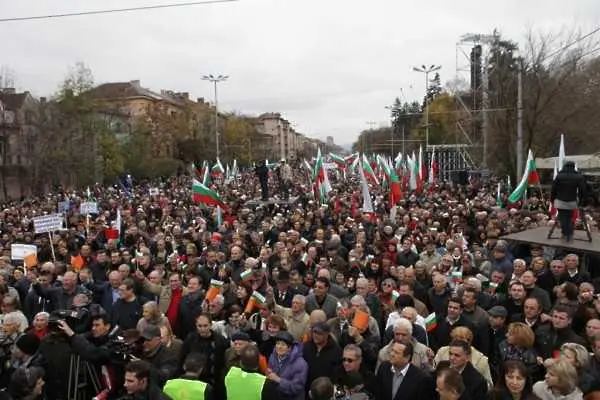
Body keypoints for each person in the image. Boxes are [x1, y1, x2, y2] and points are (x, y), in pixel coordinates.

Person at [551, 160, 587, 242]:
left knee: (563, 218)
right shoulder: (578, 176)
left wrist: (552, 199)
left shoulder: (559, 176)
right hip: (572, 200)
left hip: (560, 200)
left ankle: (564, 234)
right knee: (570, 218)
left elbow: (553, 190)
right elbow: (583, 190)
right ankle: (570, 235)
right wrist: (582, 201)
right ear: (573, 167)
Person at [266, 331, 308, 400]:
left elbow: (296, 387)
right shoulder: (272, 357)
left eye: (283, 345)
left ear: (289, 348)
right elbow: (270, 375)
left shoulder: (301, 364)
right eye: (278, 343)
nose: (279, 347)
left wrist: (279, 380)